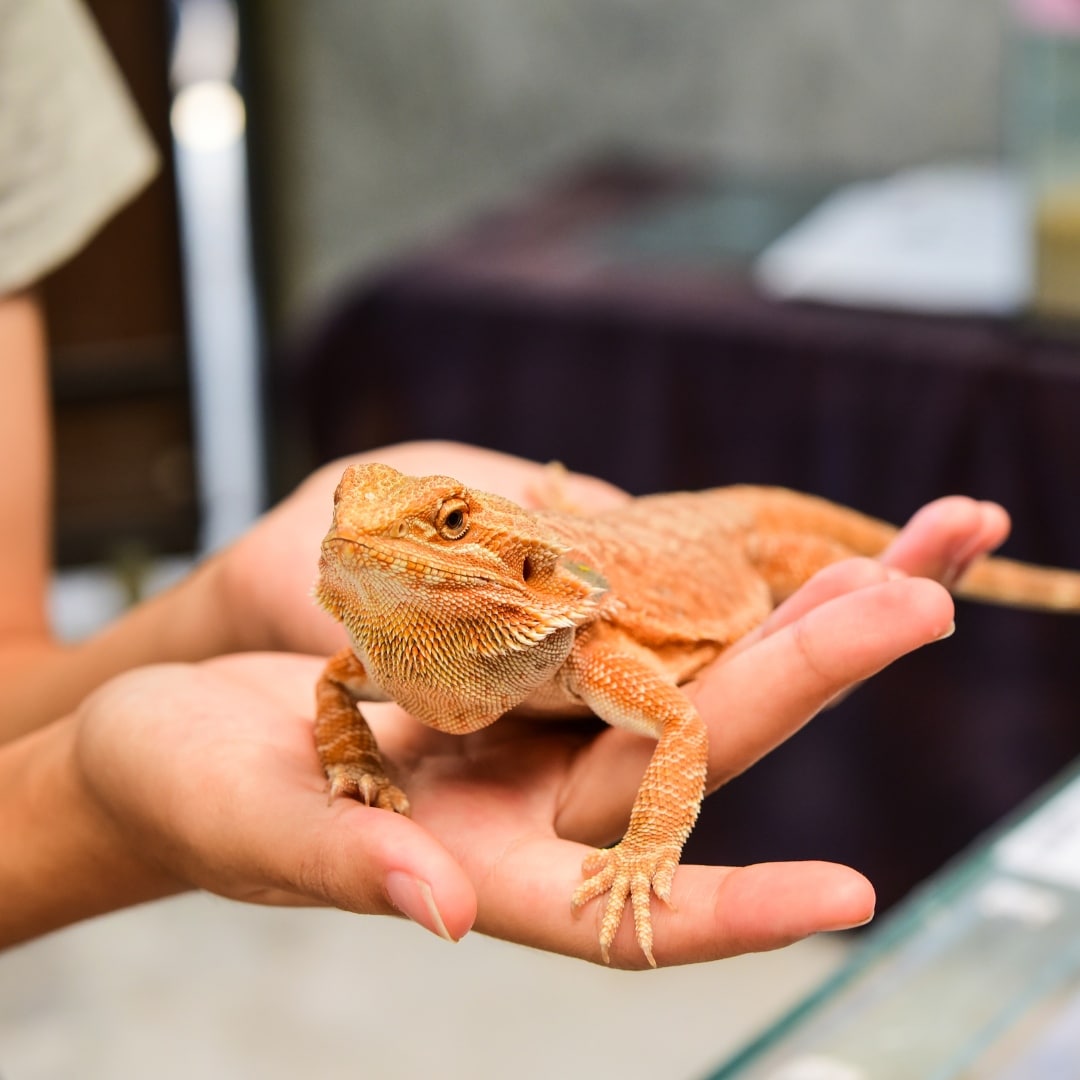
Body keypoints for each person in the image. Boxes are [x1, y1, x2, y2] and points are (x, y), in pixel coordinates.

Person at [0, 1, 1013, 966]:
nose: (363, 544)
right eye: (354, 519)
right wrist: (332, 756)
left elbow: (682, 725)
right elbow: (333, 685)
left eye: (442, 525)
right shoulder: (366, 663)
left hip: (727, 544)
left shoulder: (595, 656)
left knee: (873, 588)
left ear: (525, 567)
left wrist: (648, 849)